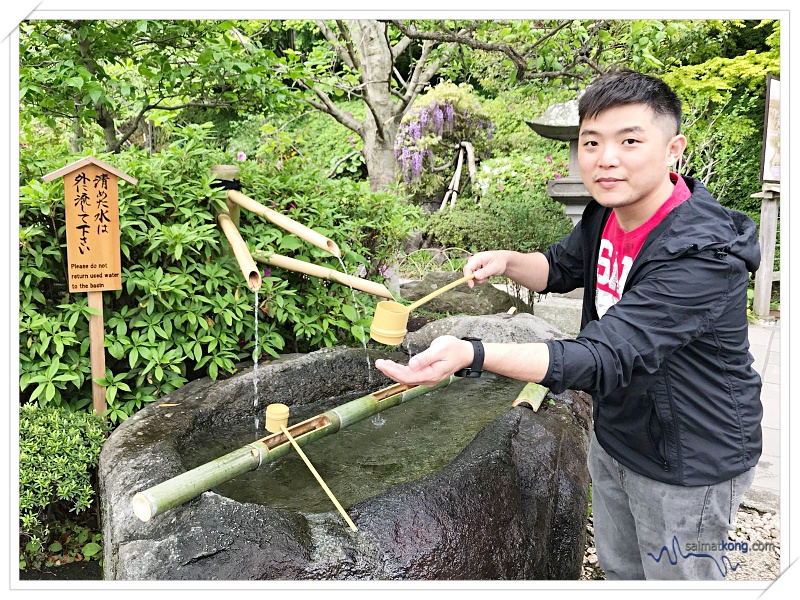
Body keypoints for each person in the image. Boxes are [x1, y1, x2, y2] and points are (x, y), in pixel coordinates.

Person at [375, 69, 763, 580]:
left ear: (673, 150)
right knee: (621, 571)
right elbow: (560, 267)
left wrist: (474, 352)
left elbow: (602, 356)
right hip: (619, 431)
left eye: (629, 140)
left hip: (690, 455)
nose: (606, 159)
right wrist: (507, 260)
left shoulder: (701, 255)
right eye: (592, 142)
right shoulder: (607, 213)